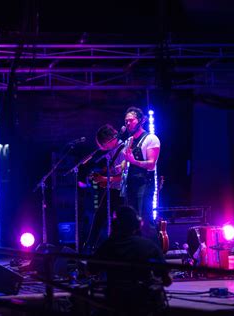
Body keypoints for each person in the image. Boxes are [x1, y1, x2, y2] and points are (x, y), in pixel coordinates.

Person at [89, 205, 171, 316]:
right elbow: (167, 281)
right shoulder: (149, 246)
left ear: (115, 225)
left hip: (114, 304)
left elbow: (91, 270)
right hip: (143, 305)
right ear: (137, 225)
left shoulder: (107, 246)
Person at [121, 106, 161, 245]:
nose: (127, 124)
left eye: (130, 120)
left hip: (144, 183)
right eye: (126, 121)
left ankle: (156, 258)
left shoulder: (151, 139)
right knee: (132, 220)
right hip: (131, 184)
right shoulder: (129, 141)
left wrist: (133, 161)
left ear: (140, 121)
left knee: (145, 219)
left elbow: (151, 164)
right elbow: (125, 165)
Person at [83, 124, 126, 252]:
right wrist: (99, 175)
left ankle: (96, 247)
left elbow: (124, 177)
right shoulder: (112, 151)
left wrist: (104, 179)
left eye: (102, 144)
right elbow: (113, 170)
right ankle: (90, 247)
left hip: (121, 192)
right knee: (99, 215)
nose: (102, 148)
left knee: (117, 220)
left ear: (109, 139)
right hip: (113, 189)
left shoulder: (123, 150)